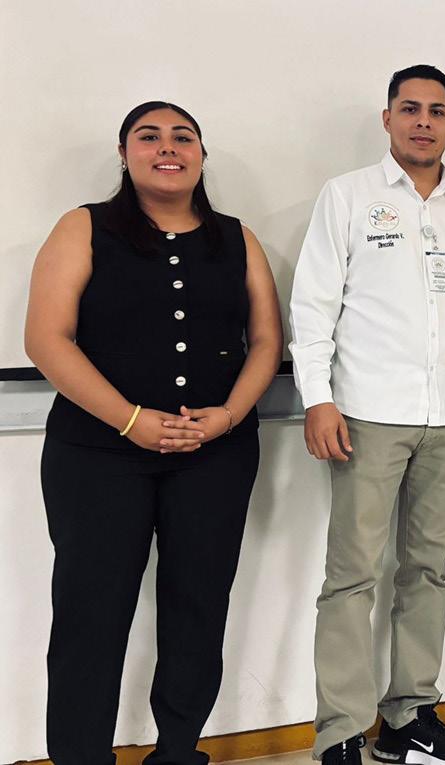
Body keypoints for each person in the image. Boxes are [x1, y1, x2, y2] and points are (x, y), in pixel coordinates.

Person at [24, 101, 283, 765]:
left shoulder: (238, 239)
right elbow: (47, 339)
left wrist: (227, 416)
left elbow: (265, 341)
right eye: (149, 136)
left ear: (201, 154)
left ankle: (177, 751)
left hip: (216, 456)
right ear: (124, 153)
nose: (168, 148)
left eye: (183, 137)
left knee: (198, 609)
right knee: (90, 615)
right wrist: (131, 419)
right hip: (97, 456)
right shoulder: (83, 227)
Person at [289, 65, 445, 765]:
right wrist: (317, 397)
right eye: (410, 108)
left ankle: (408, 716)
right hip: (366, 415)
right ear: (387, 118)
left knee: (427, 571)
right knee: (351, 576)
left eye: (436, 110)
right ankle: (341, 731)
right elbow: (313, 305)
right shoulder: (348, 196)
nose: (423, 121)